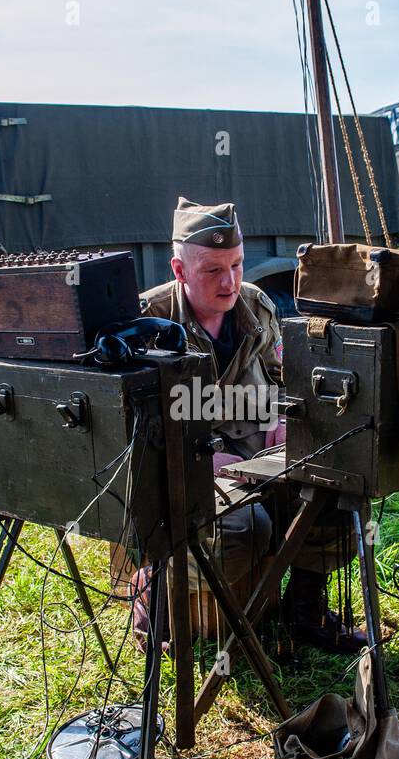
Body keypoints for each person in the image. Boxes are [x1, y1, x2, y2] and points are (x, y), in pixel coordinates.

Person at [132, 197, 364, 654]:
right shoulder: (148, 321)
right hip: (189, 469)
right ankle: (153, 589)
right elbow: (135, 427)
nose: (231, 281)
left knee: (336, 496)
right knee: (244, 531)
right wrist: (197, 454)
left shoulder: (256, 306)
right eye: (212, 270)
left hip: (261, 458)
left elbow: (284, 383)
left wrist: (282, 419)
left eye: (236, 264)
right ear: (179, 271)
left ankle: (304, 611)